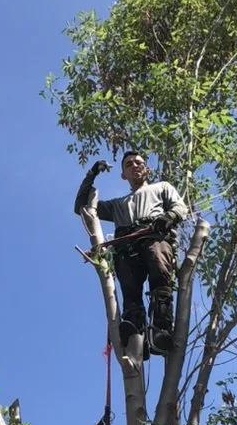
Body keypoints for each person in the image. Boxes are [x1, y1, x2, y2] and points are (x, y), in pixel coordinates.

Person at [75, 151, 188, 353]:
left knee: (160, 276)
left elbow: (180, 207)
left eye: (139, 162)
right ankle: (136, 335)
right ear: (123, 175)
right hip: (126, 247)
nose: (134, 165)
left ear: (147, 169)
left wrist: (169, 216)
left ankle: (161, 330)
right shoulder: (118, 204)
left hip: (154, 236)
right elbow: (81, 207)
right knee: (130, 291)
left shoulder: (161, 187)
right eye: (128, 164)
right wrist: (92, 174)